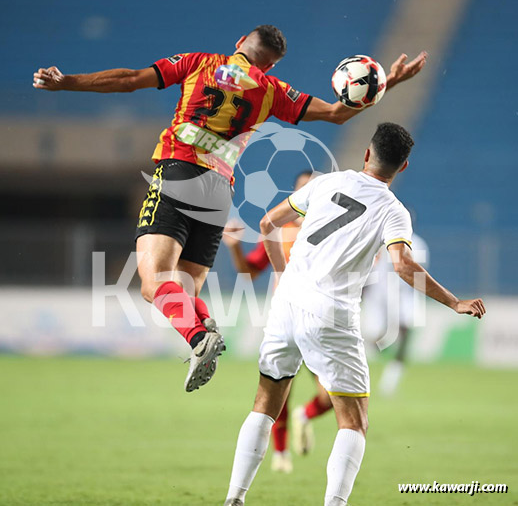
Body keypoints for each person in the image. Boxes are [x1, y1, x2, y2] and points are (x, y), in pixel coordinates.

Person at [33, 25, 427, 392]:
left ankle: (200, 338)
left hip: (179, 169)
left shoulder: (199, 63)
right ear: (270, 64)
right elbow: (338, 113)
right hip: (219, 189)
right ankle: (203, 329)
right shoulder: (272, 89)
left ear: (240, 41)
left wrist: (67, 82)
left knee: (154, 283)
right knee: (185, 289)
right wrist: (384, 82)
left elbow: (130, 80)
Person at [223, 122, 485, 506]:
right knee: (354, 419)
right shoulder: (393, 211)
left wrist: (282, 272)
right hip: (331, 313)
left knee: (265, 403)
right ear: (404, 167)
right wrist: (454, 302)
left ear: (366, 153)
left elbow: (267, 224)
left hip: (286, 305)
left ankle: (234, 498)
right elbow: (403, 265)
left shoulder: (324, 182)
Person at [223, 170, 333, 473]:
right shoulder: (279, 231)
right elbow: (249, 272)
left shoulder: (335, 231)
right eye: (304, 189)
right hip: (286, 320)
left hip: (322, 322)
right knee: (278, 389)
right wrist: (234, 246)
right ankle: (281, 454)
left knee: (332, 395)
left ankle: (305, 416)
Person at [363, 231, 430, 396]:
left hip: (405, 295)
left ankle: (391, 380)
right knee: (374, 337)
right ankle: (363, 373)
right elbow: (370, 268)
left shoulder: (418, 244)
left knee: (405, 335)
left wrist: (418, 294)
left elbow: (420, 273)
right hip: (379, 294)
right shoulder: (380, 242)